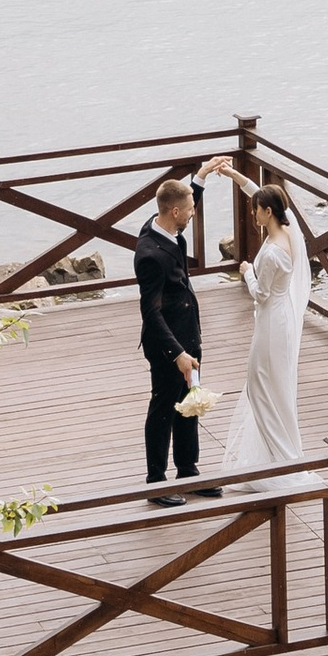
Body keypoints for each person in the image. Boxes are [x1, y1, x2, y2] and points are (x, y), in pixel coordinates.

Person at [202, 169, 307, 478]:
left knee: (259, 387)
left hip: (272, 321)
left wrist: (247, 271)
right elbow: (258, 191)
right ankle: (275, 455)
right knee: (274, 386)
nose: (253, 214)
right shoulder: (289, 229)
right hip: (280, 316)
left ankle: (281, 457)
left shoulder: (274, 252)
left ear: (268, 211)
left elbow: (261, 293)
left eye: (256, 210)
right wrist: (234, 174)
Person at [135, 170, 211, 496]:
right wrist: (177, 353)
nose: (194, 213)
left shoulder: (165, 224)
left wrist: (201, 178)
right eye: (191, 210)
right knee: (163, 408)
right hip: (167, 345)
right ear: (176, 212)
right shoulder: (149, 255)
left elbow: (181, 200)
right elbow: (150, 313)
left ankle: (188, 470)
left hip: (189, 334)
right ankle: (156, 480)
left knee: (189, 403)